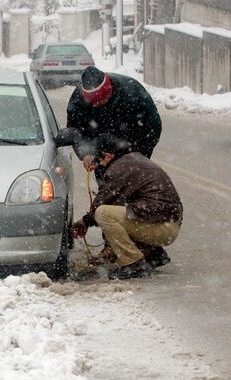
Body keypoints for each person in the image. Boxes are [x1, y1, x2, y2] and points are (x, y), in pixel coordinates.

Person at [72, 134, 183, 280]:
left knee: (104, 213)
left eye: (98, 160)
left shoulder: (119, 169)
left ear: (108, 155)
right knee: (123, 211)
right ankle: (153, 254)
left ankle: (133, 263)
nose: (97, 165)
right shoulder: (133, 159)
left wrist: (84, 221)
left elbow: (102, 204)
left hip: (162, 228)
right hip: (167, 224)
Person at [66, 66, 162, 176]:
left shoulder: (133, 93)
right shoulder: (78, 99)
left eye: (98, 101)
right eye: (91, 102)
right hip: (101, 154)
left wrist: (135, 158)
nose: (94, 105)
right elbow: (74, 129)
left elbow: (153, 129)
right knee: (108, 187)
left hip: (132, 147)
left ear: (108, 92)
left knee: (132, 183)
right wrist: (85, 153)